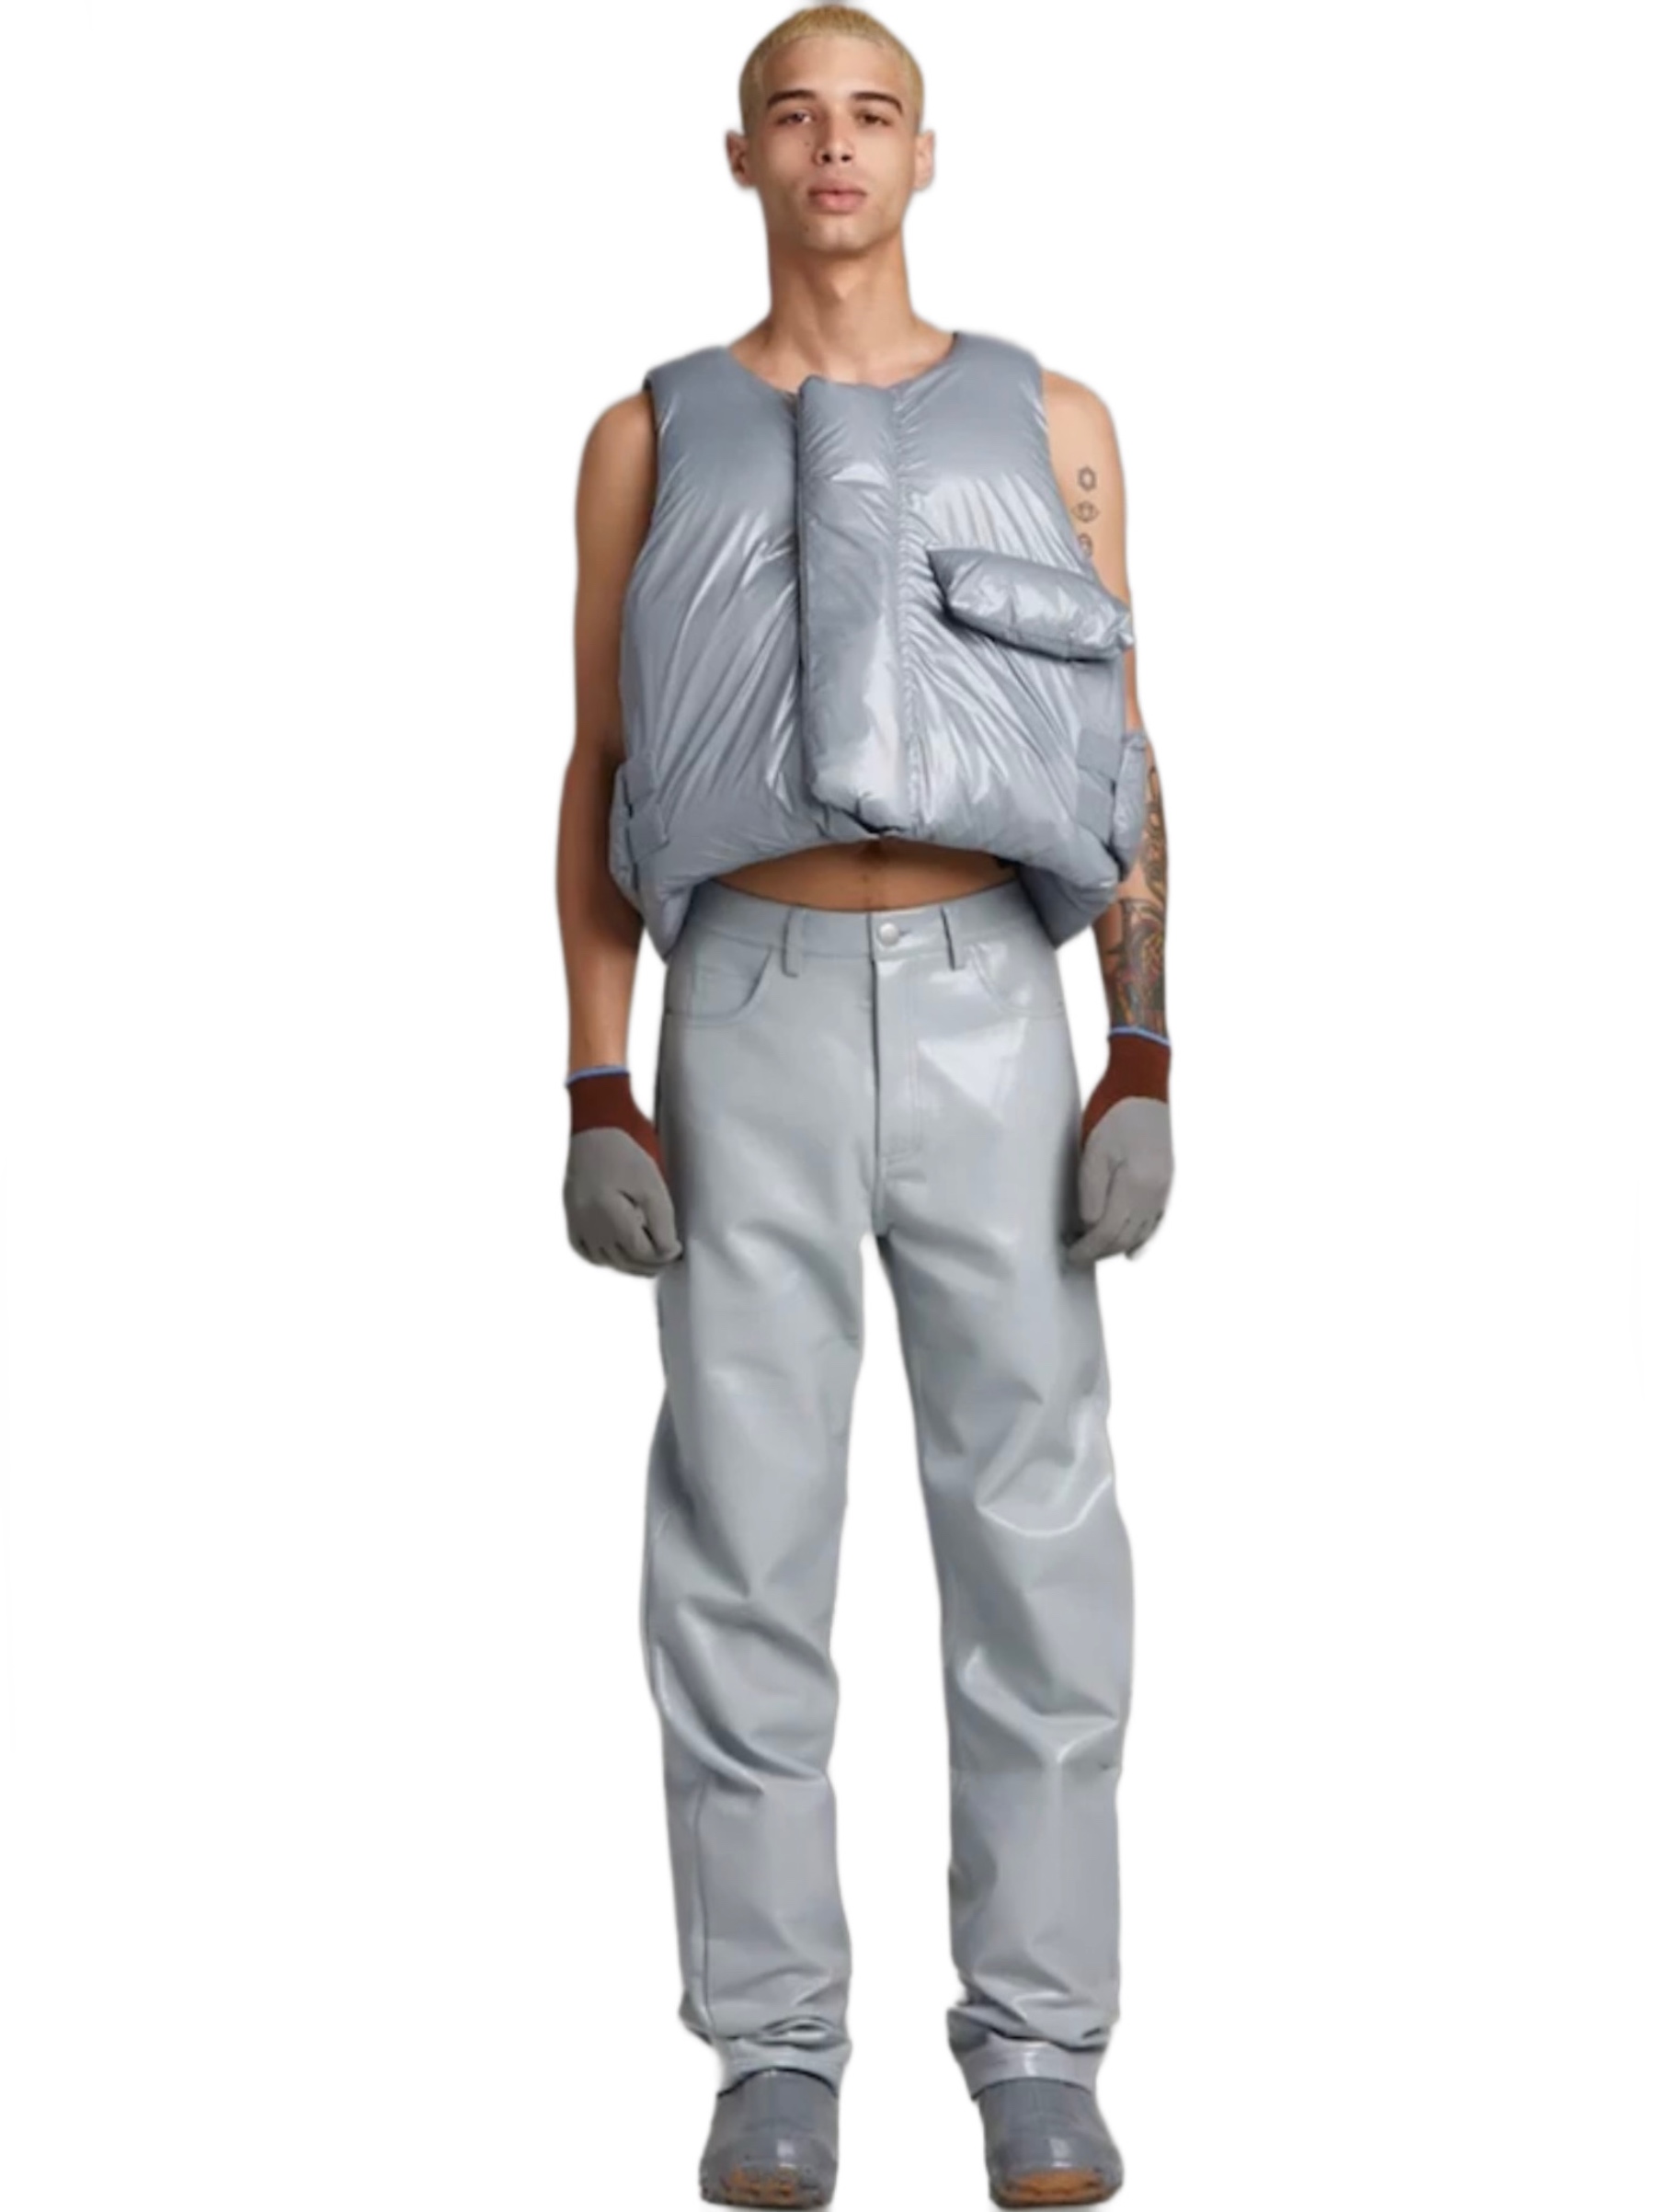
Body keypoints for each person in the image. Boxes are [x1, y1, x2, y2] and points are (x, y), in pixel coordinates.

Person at [556, 8, 1172, 2204]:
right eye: (794, 115)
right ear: (739, 157)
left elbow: (1119, 743)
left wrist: (1140, 1047)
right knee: (739, 1541)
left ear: (925, 153)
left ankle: (1039, 2051)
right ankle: (773, 2059)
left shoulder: (1056, 419)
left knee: (1035, 1541)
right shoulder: (651, 433)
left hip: (996, 1003)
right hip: (749, 1003)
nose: (835, 146)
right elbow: (601, 762)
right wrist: (596, 1076)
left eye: (872, 113)